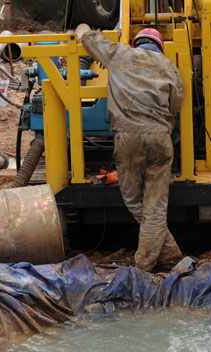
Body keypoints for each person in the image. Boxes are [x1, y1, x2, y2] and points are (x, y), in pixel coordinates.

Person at [78, 25, 185, 272]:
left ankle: (145, 266)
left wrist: (82, 28)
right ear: (159, 46)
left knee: (133, 199)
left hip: (129, 137)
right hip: (160, 138)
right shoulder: (170, 67)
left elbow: (88, 40)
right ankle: (170, 254)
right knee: (155, 206)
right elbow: (175, 104)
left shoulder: (119, 53)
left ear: (137, 43)